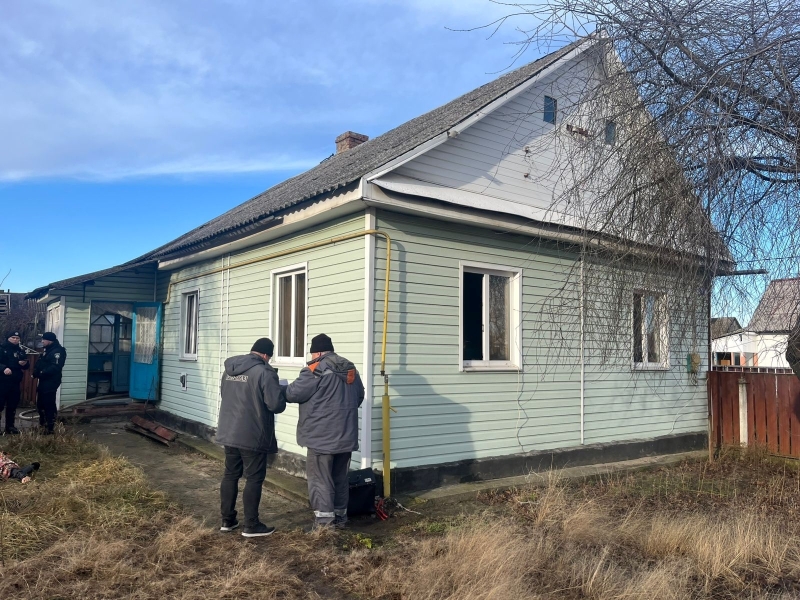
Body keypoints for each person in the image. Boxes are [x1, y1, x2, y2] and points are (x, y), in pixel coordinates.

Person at [286, 333, 365, 530]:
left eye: (312, 354)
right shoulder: (350, 368)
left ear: (318, 352)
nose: (311, 357)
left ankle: (324, 524)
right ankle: (340, 518)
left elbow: (292, 393)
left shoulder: (315, 369)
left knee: (320, 480)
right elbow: (359, 396)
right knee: (339, 478)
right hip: (346, 437)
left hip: (321, 439)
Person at [216, 337, 286, 538]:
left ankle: (227, 520)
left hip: (228, 431)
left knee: (230, 475)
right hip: (252, 434)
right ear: (266, 355)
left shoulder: (229, 370)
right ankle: (251, 525)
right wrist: (279, 390)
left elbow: (225, 395)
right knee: (254, 478)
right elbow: (275, 405)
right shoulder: (264, 372)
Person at [33, 332, 67, 434]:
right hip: (43, 380)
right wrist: (35, 372)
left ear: (49, 340)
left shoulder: (58, 351)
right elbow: (41, 363)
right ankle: (42, 425)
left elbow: (55, 367)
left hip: (51, 381)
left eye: (44, 339)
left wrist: (42, 372)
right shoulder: (47, 350)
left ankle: (50, 427)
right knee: (41, 404)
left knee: (48, 403)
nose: (42, 341)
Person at [0, 331, 30, 435]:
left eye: (17, 338)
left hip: (15, 382)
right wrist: (3, 368)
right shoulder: (2, 349)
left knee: (12, 405)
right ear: (8, 338)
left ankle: (10, 427)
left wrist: (24, 363)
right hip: (2, 382)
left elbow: (26, 365)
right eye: (13, 337)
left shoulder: (20, 350)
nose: (15, 340)